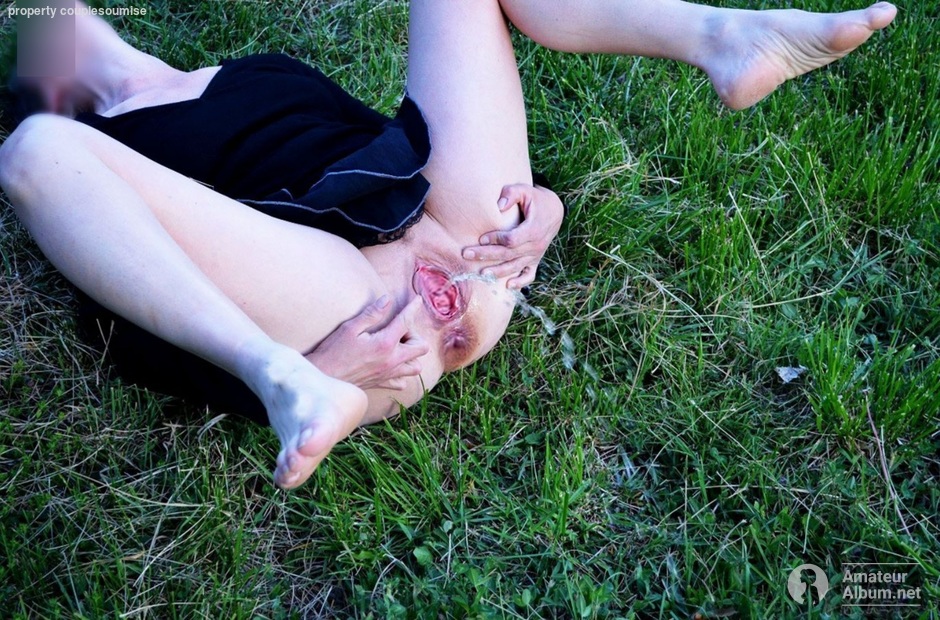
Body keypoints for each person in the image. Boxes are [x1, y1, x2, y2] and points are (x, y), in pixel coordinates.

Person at [0, 0, 897, 489]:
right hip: (348, 303)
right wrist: (291, 367)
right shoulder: (111, 147)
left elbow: (66, 24)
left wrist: (542, 209)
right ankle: (286, 379)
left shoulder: (211, 75)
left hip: (445, 230)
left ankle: (722, 37)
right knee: (33, 151)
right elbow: (138, 299)